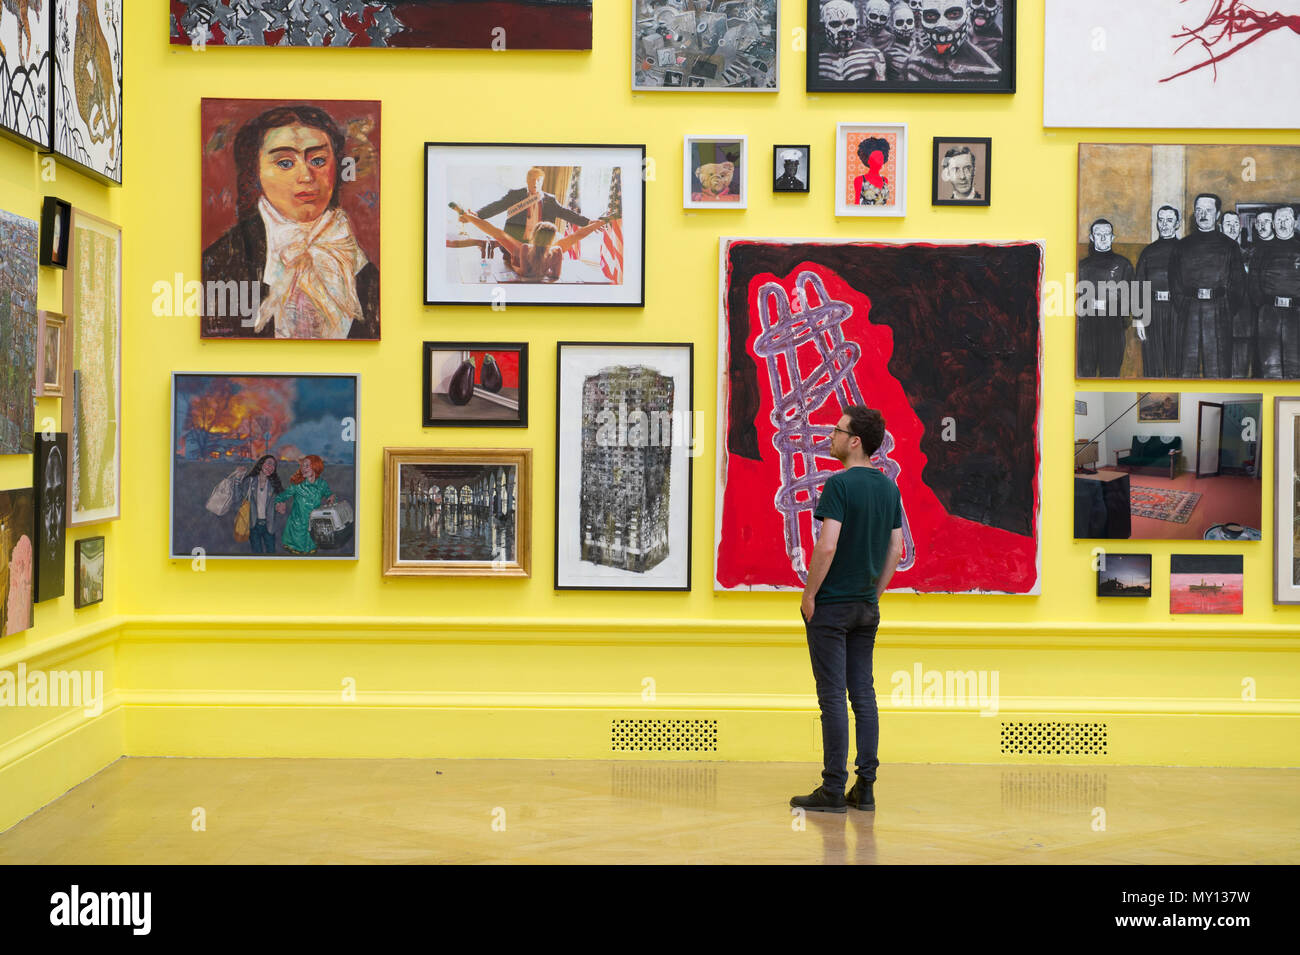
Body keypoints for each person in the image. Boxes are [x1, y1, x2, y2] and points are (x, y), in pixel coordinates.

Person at [790, 406, 905, 814]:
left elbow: (827, 545)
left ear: (855, 441)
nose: (831, 436)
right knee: (863, 694)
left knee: (832, 698)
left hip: (833, 607)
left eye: (837, 431)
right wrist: (874, 592)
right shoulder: (889, 488)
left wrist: (809, 594)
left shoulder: (839, 486)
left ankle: (833, 789)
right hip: (865, 608)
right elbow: (896, 549)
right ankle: (866, 787)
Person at [202, 105, 379, 340]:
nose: (306, 176)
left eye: (318, 160)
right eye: (285, 163)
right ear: (255, 171)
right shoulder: (221, 263)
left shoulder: (354, 257)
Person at [1169, 193, 1248, 378]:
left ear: (1217, 214)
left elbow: (1238, 284)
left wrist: (1226, 309)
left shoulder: (1229, 246)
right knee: (1187, 369)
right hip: (1190, 310)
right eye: (1199, 210)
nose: (1203, 214)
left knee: (1218, 369)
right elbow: (1175, 282)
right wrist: (1185, 307)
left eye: (1208, 210)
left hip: (1219, 310)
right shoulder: (1182, 246)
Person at [453, 203, 616, 283]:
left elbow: (522, 272)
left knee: (497, 232)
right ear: (552, 238)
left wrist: (513, 263)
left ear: (534, 235)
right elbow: (579, 234)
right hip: (541, 275)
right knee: (575, 237)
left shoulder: (523, 247)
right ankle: (467, 216)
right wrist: (601, 222)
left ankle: (466, 215)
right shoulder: (557, 250)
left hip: (522, 258)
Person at [1076, 218, 1134, 377]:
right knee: (1085, 372)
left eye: (1106, 234)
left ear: (1112, 237)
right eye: (1098, 234)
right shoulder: (1082, 266)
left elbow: (1131, 296)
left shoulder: (1123, 265)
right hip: (1087, 327)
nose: (1102, 238)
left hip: (1113, 327)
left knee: (1110, 372)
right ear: (1092, 237)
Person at [474, 167, 592, 244]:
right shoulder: (515, 195)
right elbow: (496, 207)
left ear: (542, 182)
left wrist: (587, 222)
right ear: (527, 180)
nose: (535, 183)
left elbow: (567, 213)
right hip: (515, 244)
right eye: (532, 179)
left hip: (539, 246)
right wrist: (477, 215)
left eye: (538, 180)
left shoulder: (550, 200)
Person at [1252, 204, 1300, 378]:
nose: (1282, 223)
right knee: (1270, 366)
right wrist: (1262, 306)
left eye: (1287, 219)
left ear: (1295, 221)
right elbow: (1254, 281)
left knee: (1295, 366)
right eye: (1278, 219)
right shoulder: (1261, 250)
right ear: (1273, 223)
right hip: (1269, 315)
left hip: (1296, 314)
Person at [1134, 205, 1181, 378]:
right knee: (1153, 364)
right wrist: (1138, 318)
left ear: (1177, 224)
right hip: (1151, 311)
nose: (1164, 224)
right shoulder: (1148, 252)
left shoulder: (1184, 250)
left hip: (1177, 311)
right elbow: (1138, 285)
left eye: (1169, 220)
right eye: (1160, 220)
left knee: (1177, 364)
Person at [274, 455, 335, 556]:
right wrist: (279, 504)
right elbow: (281, 497)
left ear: (315, 466)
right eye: (302, 466)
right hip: (297, 530)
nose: (303, 468)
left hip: (314, 529)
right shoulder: (297, 485)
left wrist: (331, 498)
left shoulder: (322, 484)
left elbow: (329, 494)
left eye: (307, 466)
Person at [237, 455, 283, 554]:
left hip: (269, 525)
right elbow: (238, 498)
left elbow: (281, 504)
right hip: (253, 524)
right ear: (261, 464)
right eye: (269, 463)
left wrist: (280, 506)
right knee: (257, 554)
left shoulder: (275, 484)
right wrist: (238, 479)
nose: (271, 467)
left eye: (274, 465)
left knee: (271, 553)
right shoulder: (249, 481)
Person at [854, 135, 892, 205]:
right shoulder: (860, 180)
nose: (879, 161)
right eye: (876, 157)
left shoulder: (885, 180)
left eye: (881, 157)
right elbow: (856, 204)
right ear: (868, 159)